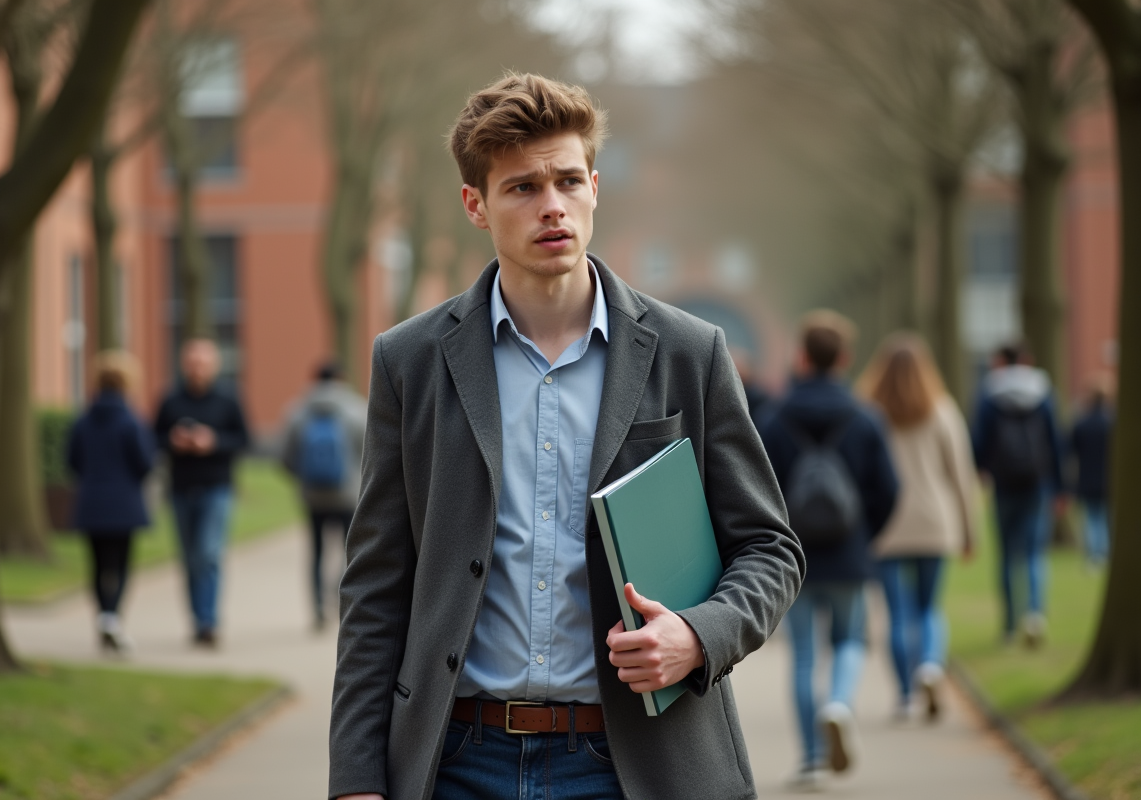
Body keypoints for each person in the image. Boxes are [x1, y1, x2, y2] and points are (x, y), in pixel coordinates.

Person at [328, 73, 804, 800]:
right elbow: (376, 585)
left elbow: (771, 549)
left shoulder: (689, 352)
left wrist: (698, 635)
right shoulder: (410, 361)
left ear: (594, 187)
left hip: (637, 763)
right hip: (457, 761)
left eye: (567, 180)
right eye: (521, 187)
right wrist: (356, 778)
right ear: (475, 205)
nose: (551, 206)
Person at [759, 310, 899, 788]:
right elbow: (889, 488)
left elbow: (756, 488)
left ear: (800, 356)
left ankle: (813, 759)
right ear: (844, 358)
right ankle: (839, 703)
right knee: (850, 640)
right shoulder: (865, 417)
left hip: (793, 557)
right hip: (848, 554)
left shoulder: (775, 418)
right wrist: (865, 533)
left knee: (801, 656)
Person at [855, 333, 978, 723]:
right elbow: (962, 475)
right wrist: (969, 531)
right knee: (929, 608)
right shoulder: (942, 410)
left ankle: (906, 695)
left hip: (887, 527)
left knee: (897, 614)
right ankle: (929, 664)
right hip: (935, 523)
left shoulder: (869, 412)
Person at [154, 338, 250, 648]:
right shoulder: (170, 400)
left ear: (213, 367)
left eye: (203, 364)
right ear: (184, 365)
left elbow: (245, 441)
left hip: (217, 487)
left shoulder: (228, 399)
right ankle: (196, 620)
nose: (197, 369)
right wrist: (174, 441)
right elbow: (153, 438)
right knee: (189, 559)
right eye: (192, 363)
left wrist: (214, 442)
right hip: (181, 488)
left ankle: (208, 622)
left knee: (208, 554)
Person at [970, 342, 1064, 647]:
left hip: (1004, 483)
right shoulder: (1044, 392)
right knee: (1035, 552)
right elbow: (1055, 441)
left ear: (999, 361)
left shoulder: (989, 394)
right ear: (1026, 360)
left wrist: (980, 470)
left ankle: (1010, 624)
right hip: (1038, 482)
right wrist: (1061, 486)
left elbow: (979, 441)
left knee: (1008, 555)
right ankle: (1035, 614)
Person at [66, 351, 155, 653]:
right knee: (121, 564)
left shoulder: (83, 420)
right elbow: (145, 462)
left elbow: (73, 461)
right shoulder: (131, 421)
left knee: (97, 563)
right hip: (124, 503)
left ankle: (103, 617)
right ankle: (113, 617)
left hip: (91, 501)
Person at [278, 362, 367, 629]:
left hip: (313, 495)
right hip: (348, 494)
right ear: (341, 378)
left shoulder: (297, 411)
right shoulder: (357, 409)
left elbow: (286, 458)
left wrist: (304, 478)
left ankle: (317, 608)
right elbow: (370, 454)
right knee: (348, 551)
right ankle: (341, 600)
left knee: (316, 551)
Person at [1068, 375, 1113, 567]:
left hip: (1087, 478)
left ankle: (1094, 555)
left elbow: (1070, 449)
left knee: (1092, 518)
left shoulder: (1082, 423)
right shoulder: (1113, 422)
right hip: (1109, 479)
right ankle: (1103, 553)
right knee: (1104, 517)